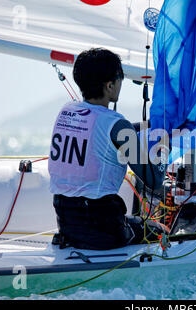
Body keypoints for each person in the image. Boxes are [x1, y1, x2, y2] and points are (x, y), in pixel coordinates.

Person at [48, 48, 168, 250]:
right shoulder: (118, 126)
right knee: (161, 230)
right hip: (103, 231)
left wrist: (141, 127)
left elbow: (103, 129)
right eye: (120, 79)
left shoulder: (67, 111)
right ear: (110, 85)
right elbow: (154, 180)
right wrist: (164, 146)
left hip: (67, 224)